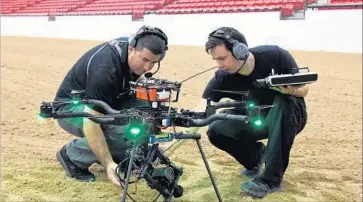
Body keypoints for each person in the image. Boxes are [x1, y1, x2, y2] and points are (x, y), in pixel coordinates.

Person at [187, 27, 309, 198]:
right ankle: (257, 159)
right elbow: (203, 109)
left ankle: (270, 180)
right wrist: (181, 134)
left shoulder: (276, 56)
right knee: (216, 128)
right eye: (216, 60)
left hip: (289, 116)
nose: (219, 65)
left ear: (240, 51)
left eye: (222, 58)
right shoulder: (223, 77)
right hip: (256, 117)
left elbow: (304, 89)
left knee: (283, 102)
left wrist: (288, 90)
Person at [53, 25, 169, 187]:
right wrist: (108, 164)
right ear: (131, 48)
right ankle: (72, 154)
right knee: (120, 131)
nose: (148, 68)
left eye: (154, 62)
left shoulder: (131, 50)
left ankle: (130, 154)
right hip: (71, 109)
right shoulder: (105, 70)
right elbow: (91, 121)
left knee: (150, 113)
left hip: (113, 98)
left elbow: (137, 82)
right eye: (144, 60)